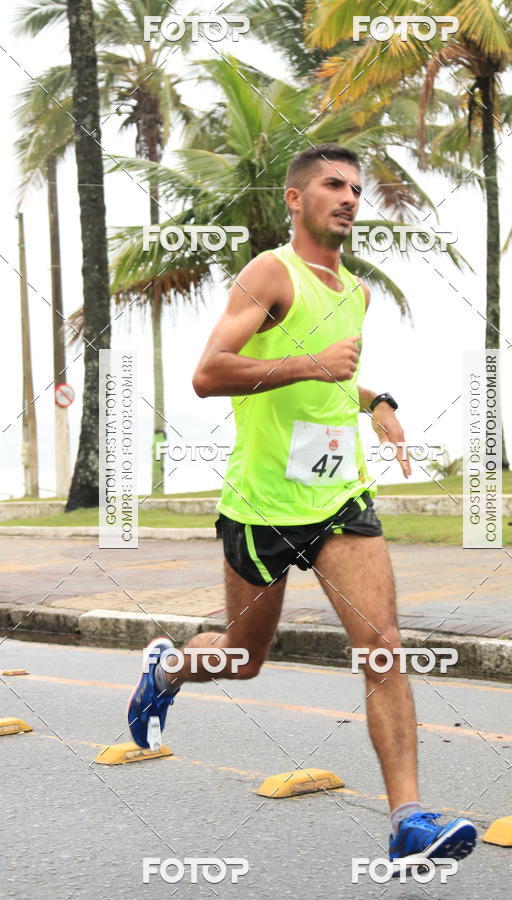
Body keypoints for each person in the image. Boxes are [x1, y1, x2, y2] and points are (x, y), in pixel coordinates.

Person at [127, 143, 476, 868]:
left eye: (355, 187)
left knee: (384, 649)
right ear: (296, 199)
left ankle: (407, 819)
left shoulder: (356, 291)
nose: (349, 197)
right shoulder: (269, 273)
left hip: (341, 499)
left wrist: (374, 400)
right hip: (262, 507)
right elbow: (208, 372)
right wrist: (311, 365)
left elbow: (329, 382)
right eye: (332, 185)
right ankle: (164, 672)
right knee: (242, 659)